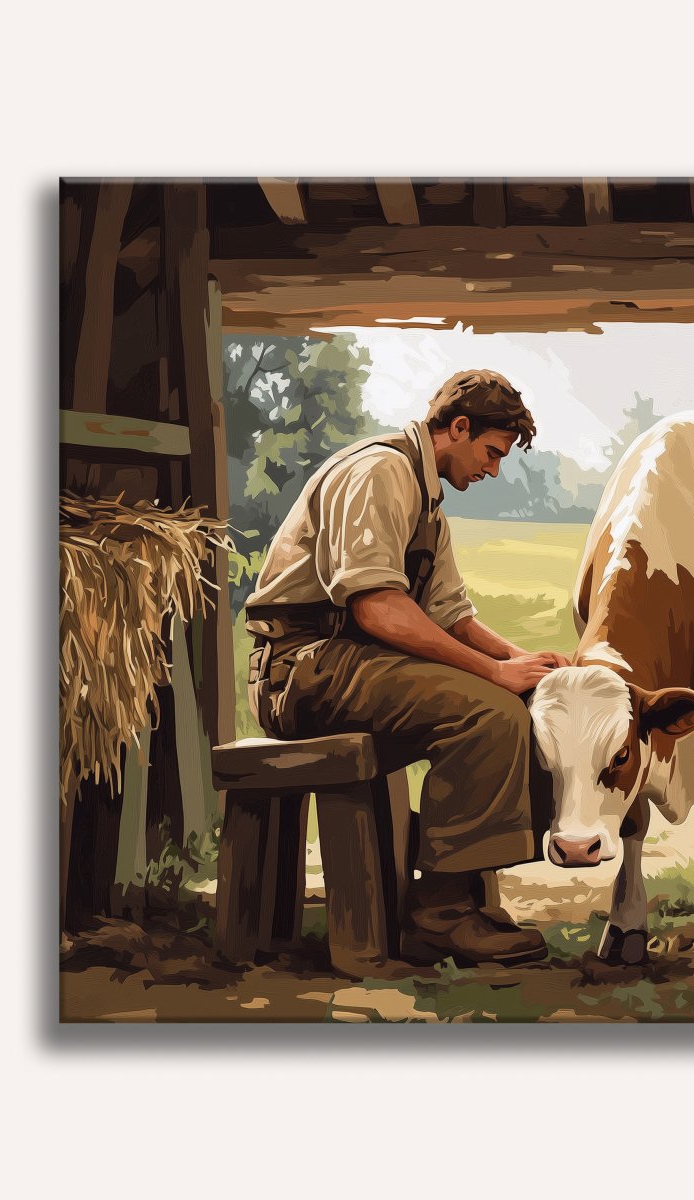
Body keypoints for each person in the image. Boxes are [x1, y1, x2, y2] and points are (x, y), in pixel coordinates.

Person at [244, 369, 569, 967]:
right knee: (488, 713)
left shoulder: (428, 499)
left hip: (350, 663)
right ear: (459, 427)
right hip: (301, 667)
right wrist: (494, 677)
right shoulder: (382, 471)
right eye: (492, 453)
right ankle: (441, 914)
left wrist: (523, 662)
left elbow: (451, 617)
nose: (494, 470)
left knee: (530, 703)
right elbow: (379, 609)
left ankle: (457, 888)